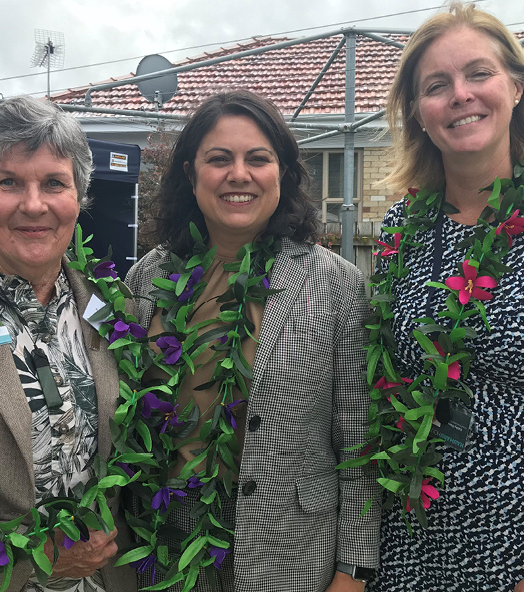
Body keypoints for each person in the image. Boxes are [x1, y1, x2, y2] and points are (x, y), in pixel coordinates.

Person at [367, 3, 524, 591]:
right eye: (436, 85)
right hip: (405, 553)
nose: (460, 95)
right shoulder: (403, 228)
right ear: (419, 115)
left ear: (516, 87)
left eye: (478, 73)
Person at [125, 89, 380, 592]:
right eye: (218, 159)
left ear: (281, 173)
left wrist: (355, 570)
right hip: (163, 542)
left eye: (257, 159)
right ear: (189, 174)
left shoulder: (336, 284)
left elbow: (359, 446)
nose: (238, 174)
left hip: (290, 549)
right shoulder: (147, 279)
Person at [0, 97, 136, 592]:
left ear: (79, 198)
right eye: (9, 181)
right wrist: (32, 560)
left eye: (54, 183)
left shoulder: (111, 306)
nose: (33, 204)